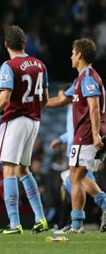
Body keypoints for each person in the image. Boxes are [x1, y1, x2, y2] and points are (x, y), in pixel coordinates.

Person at [0, 25, 49, 234]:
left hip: (15, 120)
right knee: (24, 169)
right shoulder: (40, 65)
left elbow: (4, 98)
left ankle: (14, 223)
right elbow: (46, 98)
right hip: (34, 121)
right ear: (24, 44)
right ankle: (41, 218)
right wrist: (32, 111)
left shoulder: (9, 65)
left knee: (9, 170)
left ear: (6, 45)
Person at [44, 38, 106, 233]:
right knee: (79, 176)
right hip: (86, 135)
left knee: (75, 178)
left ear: (79, 54)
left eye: (72, 52)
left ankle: (77, 224)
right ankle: (101, 207)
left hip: (87, 135)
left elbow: (94, 107)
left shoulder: (88, 77)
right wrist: (36, 103)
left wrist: (95, 135)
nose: (70, 56)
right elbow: (63, 100)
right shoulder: (81, 79)